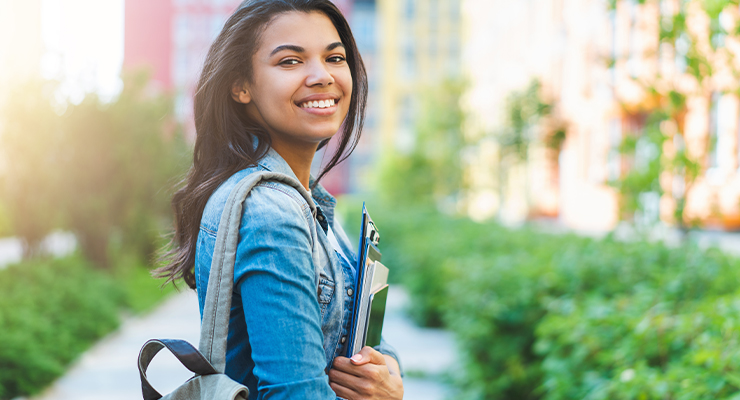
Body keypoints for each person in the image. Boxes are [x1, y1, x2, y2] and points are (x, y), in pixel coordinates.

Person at [155, 1, 404, 399]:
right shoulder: (272, 211)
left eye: (334, 57)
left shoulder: (312, 205)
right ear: (241, 86)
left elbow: (373, 348)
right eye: (290, 61)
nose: (322, 76)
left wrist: (387, 377)